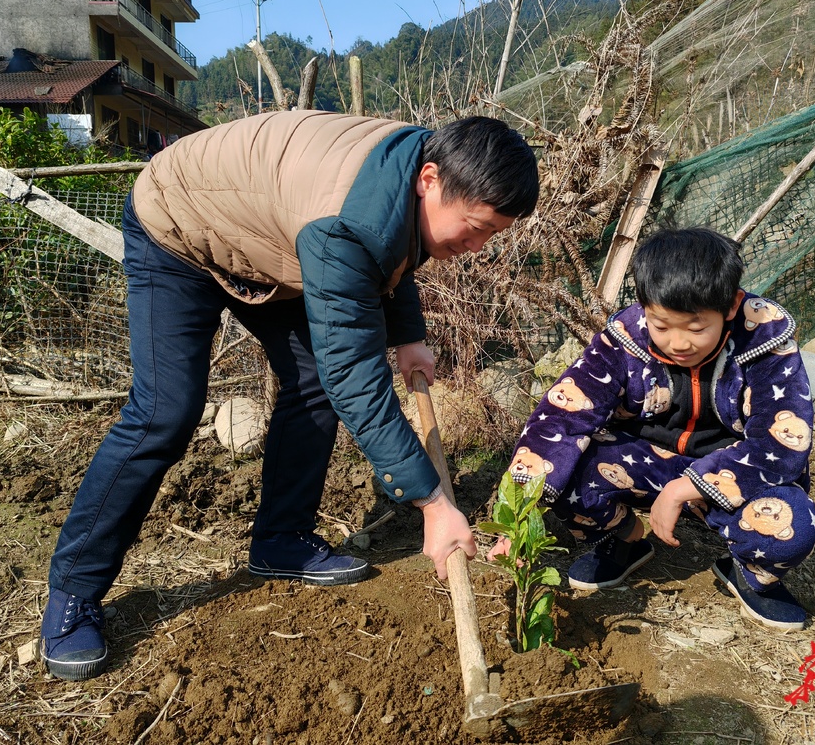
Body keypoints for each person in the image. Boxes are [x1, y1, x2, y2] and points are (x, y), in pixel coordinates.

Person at [40, 111, 539, 680]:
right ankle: (73, 593)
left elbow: (393, 251)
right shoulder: (347, 224)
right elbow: (355, 364)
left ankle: (280, 540)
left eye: (492, 235)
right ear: (430, 178)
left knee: (311, 383)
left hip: (270, 236)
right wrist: (432, 502)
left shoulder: (413, 178)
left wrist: (408, 335)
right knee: (165, 413)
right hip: (178, 224)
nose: (475, 246)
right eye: (474, 228)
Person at [490, 227, 815, 630]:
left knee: (794, 525)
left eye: (696, 328)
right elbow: (563, 414)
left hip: (731, 468)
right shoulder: (625, 337)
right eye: (662, 326)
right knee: (563, 468)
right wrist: (518, 516)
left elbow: (783, 446)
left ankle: (751, 575)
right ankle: (623, 539)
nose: (678, 343)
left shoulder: (766, 342)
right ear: (645, 306)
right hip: (643, 459)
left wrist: (685, 487)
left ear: (732, 306)